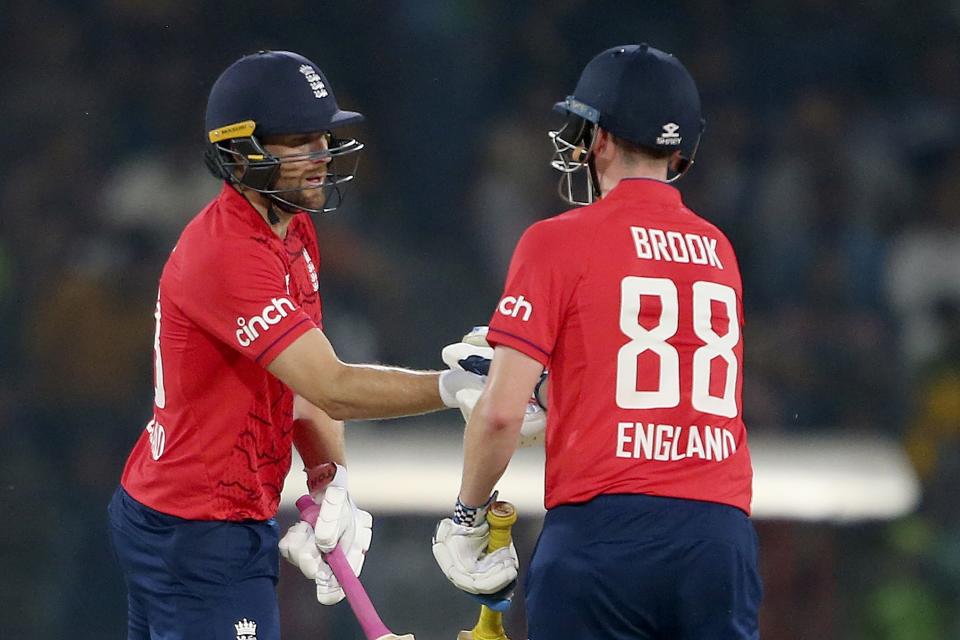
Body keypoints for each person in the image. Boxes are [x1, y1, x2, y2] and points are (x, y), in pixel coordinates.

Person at [107, 50, 484, 640]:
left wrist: (327, 476)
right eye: (300, 142)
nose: (321, 159)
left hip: (190, 512)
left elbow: (301, 382)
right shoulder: (228, 252)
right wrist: (451, 387)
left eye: (322, 139)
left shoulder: (290, 224)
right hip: (200, 529)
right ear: (241, 151)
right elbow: (332, 387)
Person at [432, 44, 762, 639]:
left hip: (603, 536)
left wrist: (467, 513)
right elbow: (656, 393)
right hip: (719, 539)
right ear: (680, 150)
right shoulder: (719, 251)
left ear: (601, 139)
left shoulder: (556, 241)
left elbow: (500, 414)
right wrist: (555, 399)